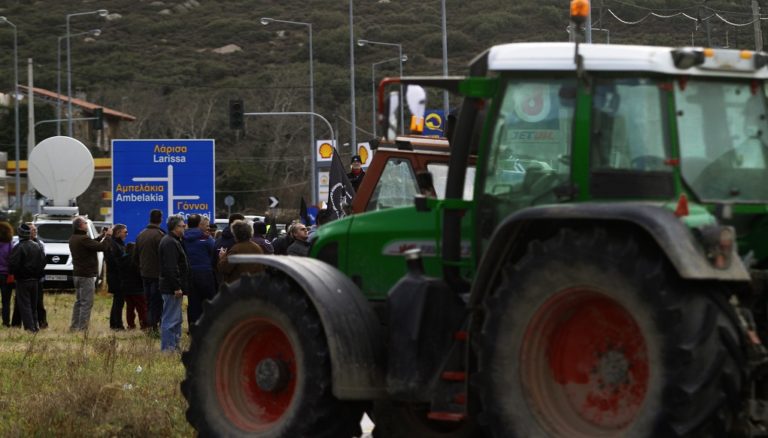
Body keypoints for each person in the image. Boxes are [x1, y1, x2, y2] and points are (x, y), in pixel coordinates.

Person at [69, 217, 112, 331]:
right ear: (80, 226)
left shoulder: (74, 238)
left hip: (77, 274)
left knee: (78, 302)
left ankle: (74, 327)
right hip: (85, 275)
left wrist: (101, 236)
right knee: (86, 303)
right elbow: (102, 247)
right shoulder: (83, 238)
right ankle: (82, 328)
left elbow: (92, 245)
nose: (87, 224)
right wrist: (108, 236)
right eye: (85, 223)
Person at [158, 215, 189, 352]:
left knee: (176, 319)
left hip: (172, 286)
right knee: (170, 319)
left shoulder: (173, 240)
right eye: (182, 226)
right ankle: (168, 349)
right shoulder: (170, 242)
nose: (184, 228)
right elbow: (171, 267)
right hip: (171, 288)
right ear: (176, 227)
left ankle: (174, 347)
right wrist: (176, 287)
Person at [9, 224, 46, 332]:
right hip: (35, 281)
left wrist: (15, 274)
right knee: (33, 306)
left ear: (20, 234)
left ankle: (30, 329)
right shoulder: (37, 246)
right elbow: (43, 261)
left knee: (25, 305)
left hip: (23, 281)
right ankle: (35, 326)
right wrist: (37, 274)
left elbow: (13, 264)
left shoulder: (18, 247)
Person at [182, 214, 216, 329]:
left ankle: (193, 328)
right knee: (209, 302)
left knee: (193, 303)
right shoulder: (206, 238)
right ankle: (208, 327)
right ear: (199, 224)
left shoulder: (182, 238)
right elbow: (214, 253)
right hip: (205, 273)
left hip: (189, 274)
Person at [134, 209, 165, 333]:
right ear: (160, 219)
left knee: (148, 301)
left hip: (145, 274)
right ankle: (154, 327)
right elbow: (164, 256)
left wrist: (142, 267)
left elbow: (135, 257)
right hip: (157, 275)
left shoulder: (141, 234)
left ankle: (149, 326)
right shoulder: (160, 235)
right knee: (157, 301)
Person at [121, 242, 148, 330]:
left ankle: (131, 325)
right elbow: (140, 273)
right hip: (138, 288)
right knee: (142, 308)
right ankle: (144, 325)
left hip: (126, 288)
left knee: (130, 308)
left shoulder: (123, 259)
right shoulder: (136, 260)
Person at [106, 224, 128, 331]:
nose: (126, 234)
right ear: (118, 232)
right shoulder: (113, 244)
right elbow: (113, 261)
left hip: (119, 276)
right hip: (116, 276)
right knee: (118, 301)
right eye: (125, 232)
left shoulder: (119, 243)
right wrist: (125, 260)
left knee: (118, 301)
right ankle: (117, 325)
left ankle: (114, 323)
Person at [29, 223, 47, 329]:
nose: (35, 231)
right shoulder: (20, 243)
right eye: (32, 229)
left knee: (39, 303)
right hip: (26, 277)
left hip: (38, 278)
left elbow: (43, 260)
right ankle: (17, 324)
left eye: (35, 229)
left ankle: (43, 323)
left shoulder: (41, 244)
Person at [0, 220, 13, 327]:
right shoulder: (9, 245)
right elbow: (12, 261)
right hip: (5, 275)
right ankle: (6, 322)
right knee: (6, 301)